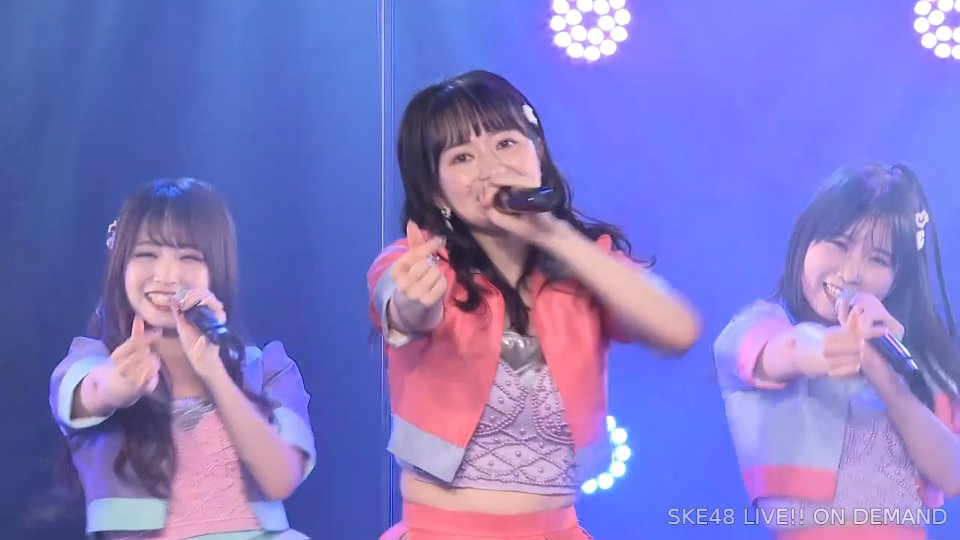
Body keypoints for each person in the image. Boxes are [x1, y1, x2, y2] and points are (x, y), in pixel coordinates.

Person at [368, 70, 702, 539]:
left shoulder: (585, 264)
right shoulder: (417, 263)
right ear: (437, 190)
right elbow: (402, 308)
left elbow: (679, 331)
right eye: (462, 156)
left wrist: (555, 236)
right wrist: (413, 301)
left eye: (506, 143)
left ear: (538, 153)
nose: (491, 168)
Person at [48, 178, 315, 539]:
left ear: (217, 268)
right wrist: (118, 387)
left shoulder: (267, 367)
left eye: (189, 257)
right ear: (120, 263)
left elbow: (281, 480)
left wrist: (214, 372)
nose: (167, 276)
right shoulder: (92, 360)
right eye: (147, 254)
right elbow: (92, 391)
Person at [715, 162, 960, 540]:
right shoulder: (759, 324)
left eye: (878, 259)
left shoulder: (915, 362)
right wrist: (831, 348)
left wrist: (880, 368)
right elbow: (792, 349)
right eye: (839, 244)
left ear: (898, 276)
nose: (850, 273)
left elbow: (952, 475)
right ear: (805, 239)